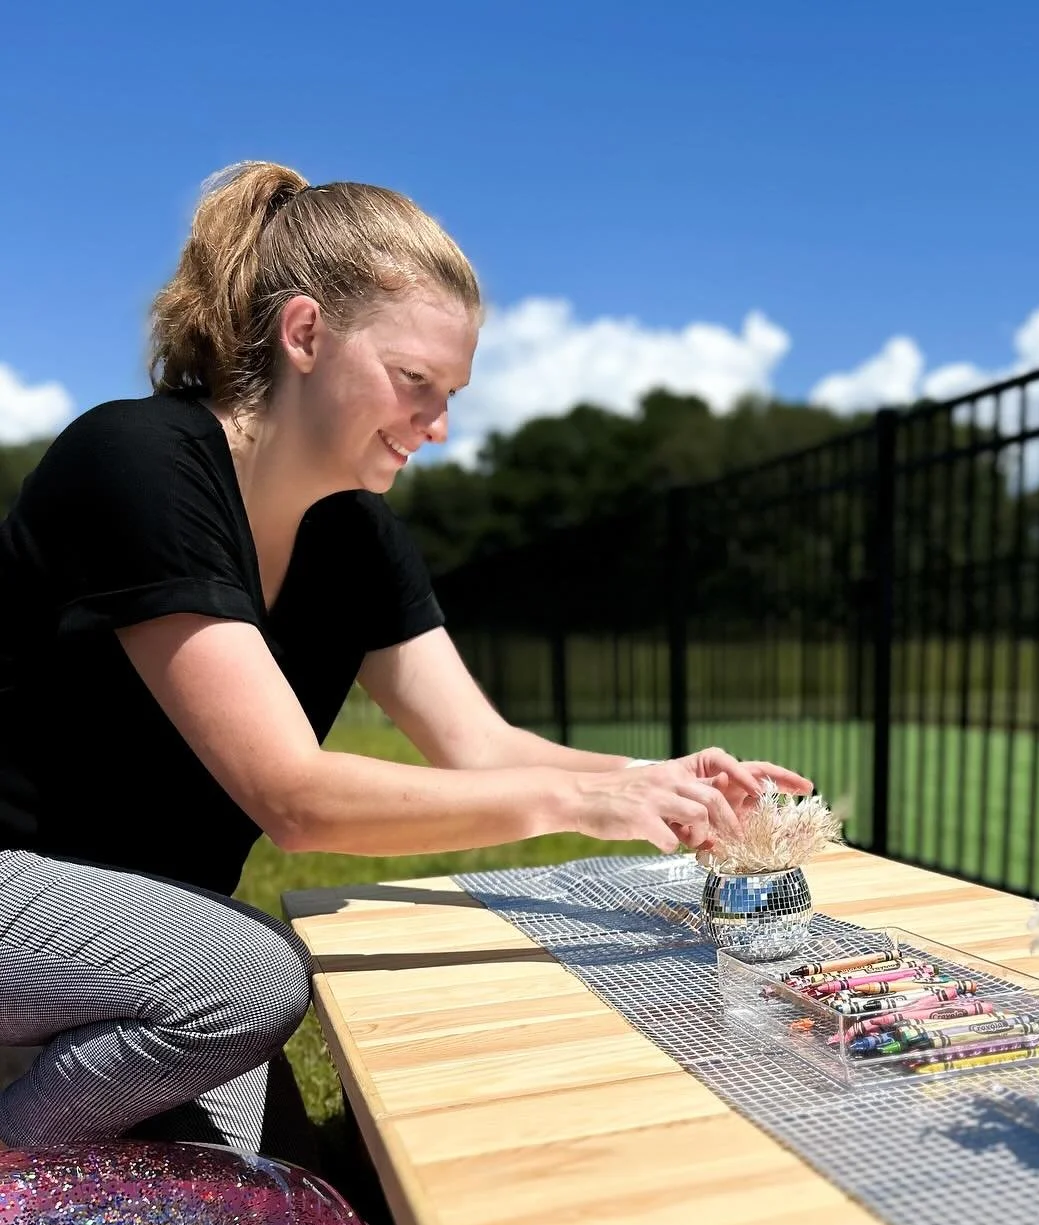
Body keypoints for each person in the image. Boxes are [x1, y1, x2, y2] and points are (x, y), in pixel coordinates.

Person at [0, 162, 809, 1156]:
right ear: (305, 335)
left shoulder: (359, 537)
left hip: (159, 932)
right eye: (414, 381)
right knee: (252, 981)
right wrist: (579, 802)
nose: (439, 427)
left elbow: (479, 746)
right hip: (26, 893)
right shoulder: (139, 461)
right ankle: (17, 1188)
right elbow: (294, 799)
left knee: (285, 1188)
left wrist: (654, 777)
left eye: (451, 393)